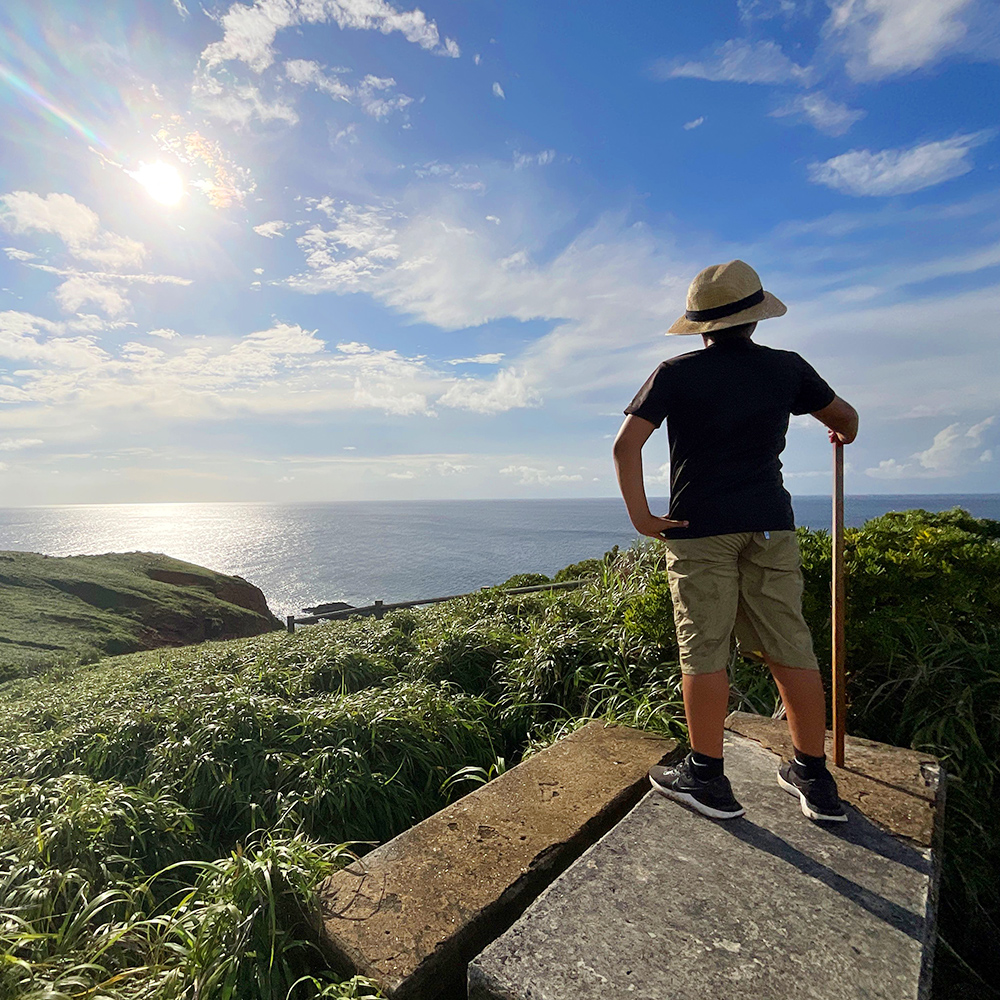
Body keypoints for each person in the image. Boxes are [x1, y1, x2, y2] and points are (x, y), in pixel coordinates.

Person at [612, 259, 858, 823]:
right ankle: (814, 778)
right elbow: (846, 419)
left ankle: (706, 777)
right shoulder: (787, 369)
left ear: (701, 325)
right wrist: (841, 431)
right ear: (755, 319)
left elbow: (627, 446)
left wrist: (643, 517)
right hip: (770, 521)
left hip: (699, 528)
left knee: (704, 647)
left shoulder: (675, 372)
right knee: (790, 643)